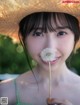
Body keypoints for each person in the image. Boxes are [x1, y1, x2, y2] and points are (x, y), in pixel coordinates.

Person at [0, 0, 80, 105]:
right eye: (38, 33)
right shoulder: (5, 93)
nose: (50, 47)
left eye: (61, 33)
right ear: (24, 39)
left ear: (76, 37)